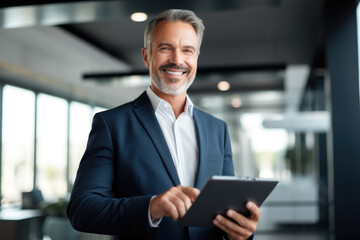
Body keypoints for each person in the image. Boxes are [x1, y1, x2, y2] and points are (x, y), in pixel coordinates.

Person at [67, 9, 260, 240]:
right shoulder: (111, 125)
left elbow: (226, 211)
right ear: (147, 56)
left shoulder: (218, 130)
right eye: (165, 48)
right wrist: (152, 207)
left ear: (196, 58)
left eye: (187, 50)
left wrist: (240, 231)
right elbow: (82, 209)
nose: (177, 60)